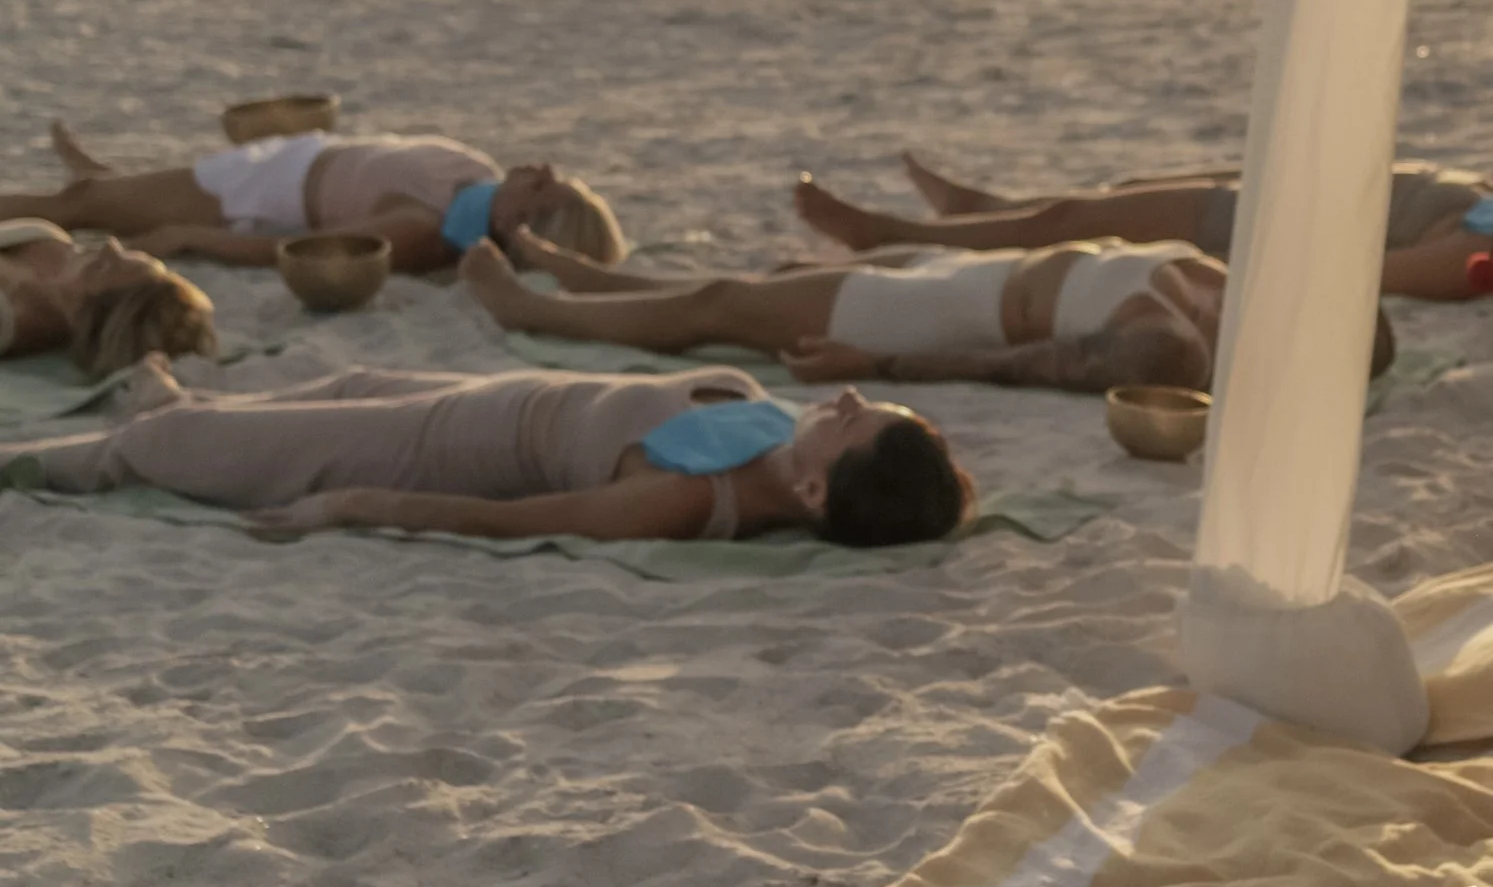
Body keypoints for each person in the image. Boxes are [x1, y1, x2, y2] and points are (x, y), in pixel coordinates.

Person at [0, 353, 970, 548]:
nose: (841, 399)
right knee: (324, 379)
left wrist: (350, 505)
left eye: (853, 417)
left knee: (165, 442)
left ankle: (50, 454)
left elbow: (506, 518)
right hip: (452, 387)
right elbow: (921, 489)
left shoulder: (683, 501)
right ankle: (188, 402)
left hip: (433, 445)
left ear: (810, 489)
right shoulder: (793, 445)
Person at [461, 221, 1395, 392]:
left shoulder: (1173, 347)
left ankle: (532, 309)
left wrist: (881, 366)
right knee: (747, 289)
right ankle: (588, 282)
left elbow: (1032, 366)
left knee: (720, 303)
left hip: (939, 317)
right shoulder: (1224, 285)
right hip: (971, 272)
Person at [795, 155, 1493, 305]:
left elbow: (1378, 273)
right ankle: (979, 209)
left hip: (1263, 224)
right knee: (1116, 194)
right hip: (1289, 191)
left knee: (1075, 225)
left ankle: (887, 231)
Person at [2, 120, 626, 276]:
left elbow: (295, 250)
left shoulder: (424, 227)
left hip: (252, 194)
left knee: (78, 203)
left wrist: (189, 238)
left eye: (547, 184)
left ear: (522, 220)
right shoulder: (470, 179)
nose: (540, 166)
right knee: (101, 193)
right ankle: (116, 184)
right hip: (287, 158)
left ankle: (105, 187)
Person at [0, 218, 217, 378]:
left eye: (103, 268)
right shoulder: (50, 242)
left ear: (82, 315)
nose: (109, 245)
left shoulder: (10, 318)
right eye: (130, 256)